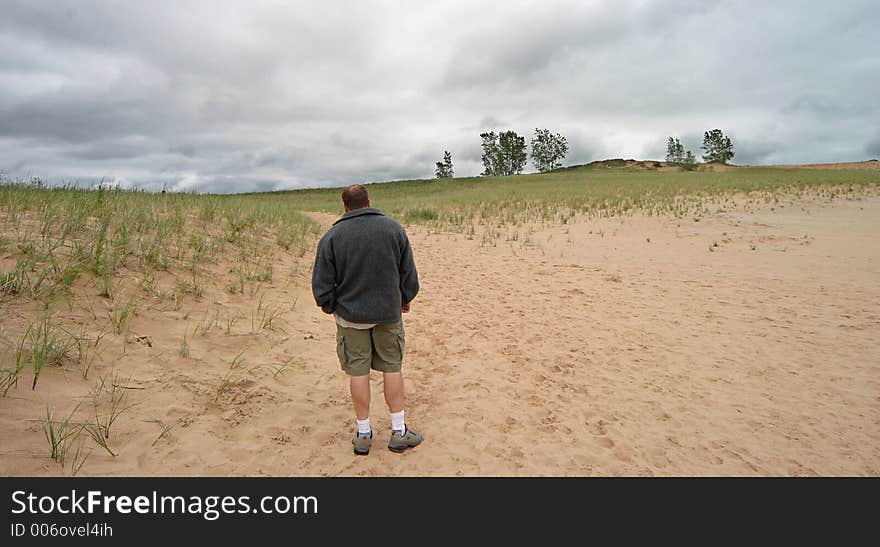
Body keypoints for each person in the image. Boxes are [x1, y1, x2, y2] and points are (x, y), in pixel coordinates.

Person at [311, 184, 422, 455]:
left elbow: (321, 286)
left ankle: (363, 434)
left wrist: (333, 307)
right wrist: (403, 299)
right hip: (387, 313)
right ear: (369, 202)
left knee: (358, 372)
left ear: (345, 206)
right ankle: (398, 431)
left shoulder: (333, 236)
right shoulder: (393, 229)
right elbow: (408, 274)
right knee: (392, 367)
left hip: (350, 318)